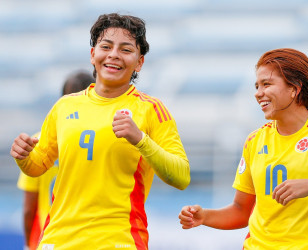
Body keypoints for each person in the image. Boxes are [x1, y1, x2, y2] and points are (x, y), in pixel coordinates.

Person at [11, 13, 190, 249]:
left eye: (126, 49)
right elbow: (38, 165)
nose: (114, 54)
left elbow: (182, 177)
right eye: (106, 46)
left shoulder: (151, 110)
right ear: (93, 54)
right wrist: (23, 157)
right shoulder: (64, 106)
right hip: (59, 240)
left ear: (139, 62)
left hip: (118, 241)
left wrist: (141, 140)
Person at [179, 48, 308, 249]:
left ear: (295, 88)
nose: (258, 93)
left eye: (266, 84)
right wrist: (204, 216)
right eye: (257, 86)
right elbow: (241, 211)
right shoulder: (255, 140)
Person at [16, 70, 95, 250]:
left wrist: (28, 245)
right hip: (91, 238)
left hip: (51, 239)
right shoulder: (101, 140)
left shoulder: (38, 142)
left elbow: (29, 208)